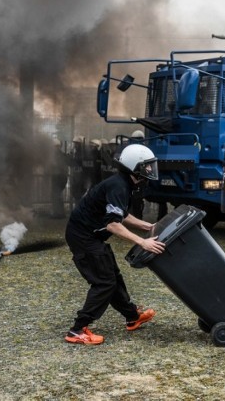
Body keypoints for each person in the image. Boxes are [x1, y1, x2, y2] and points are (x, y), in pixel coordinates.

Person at [64, 144, 165, 345]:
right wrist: (141, 241)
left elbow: (121, 214)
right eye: (146, 166)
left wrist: (148, 226)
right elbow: (113, 225)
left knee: (112, 276)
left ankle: (132, 317)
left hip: (92, 237)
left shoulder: (124, 184)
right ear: (133, 167)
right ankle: (77, 330)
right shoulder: (119, 185)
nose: (150, 170)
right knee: (104, 282)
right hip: (83, 237)